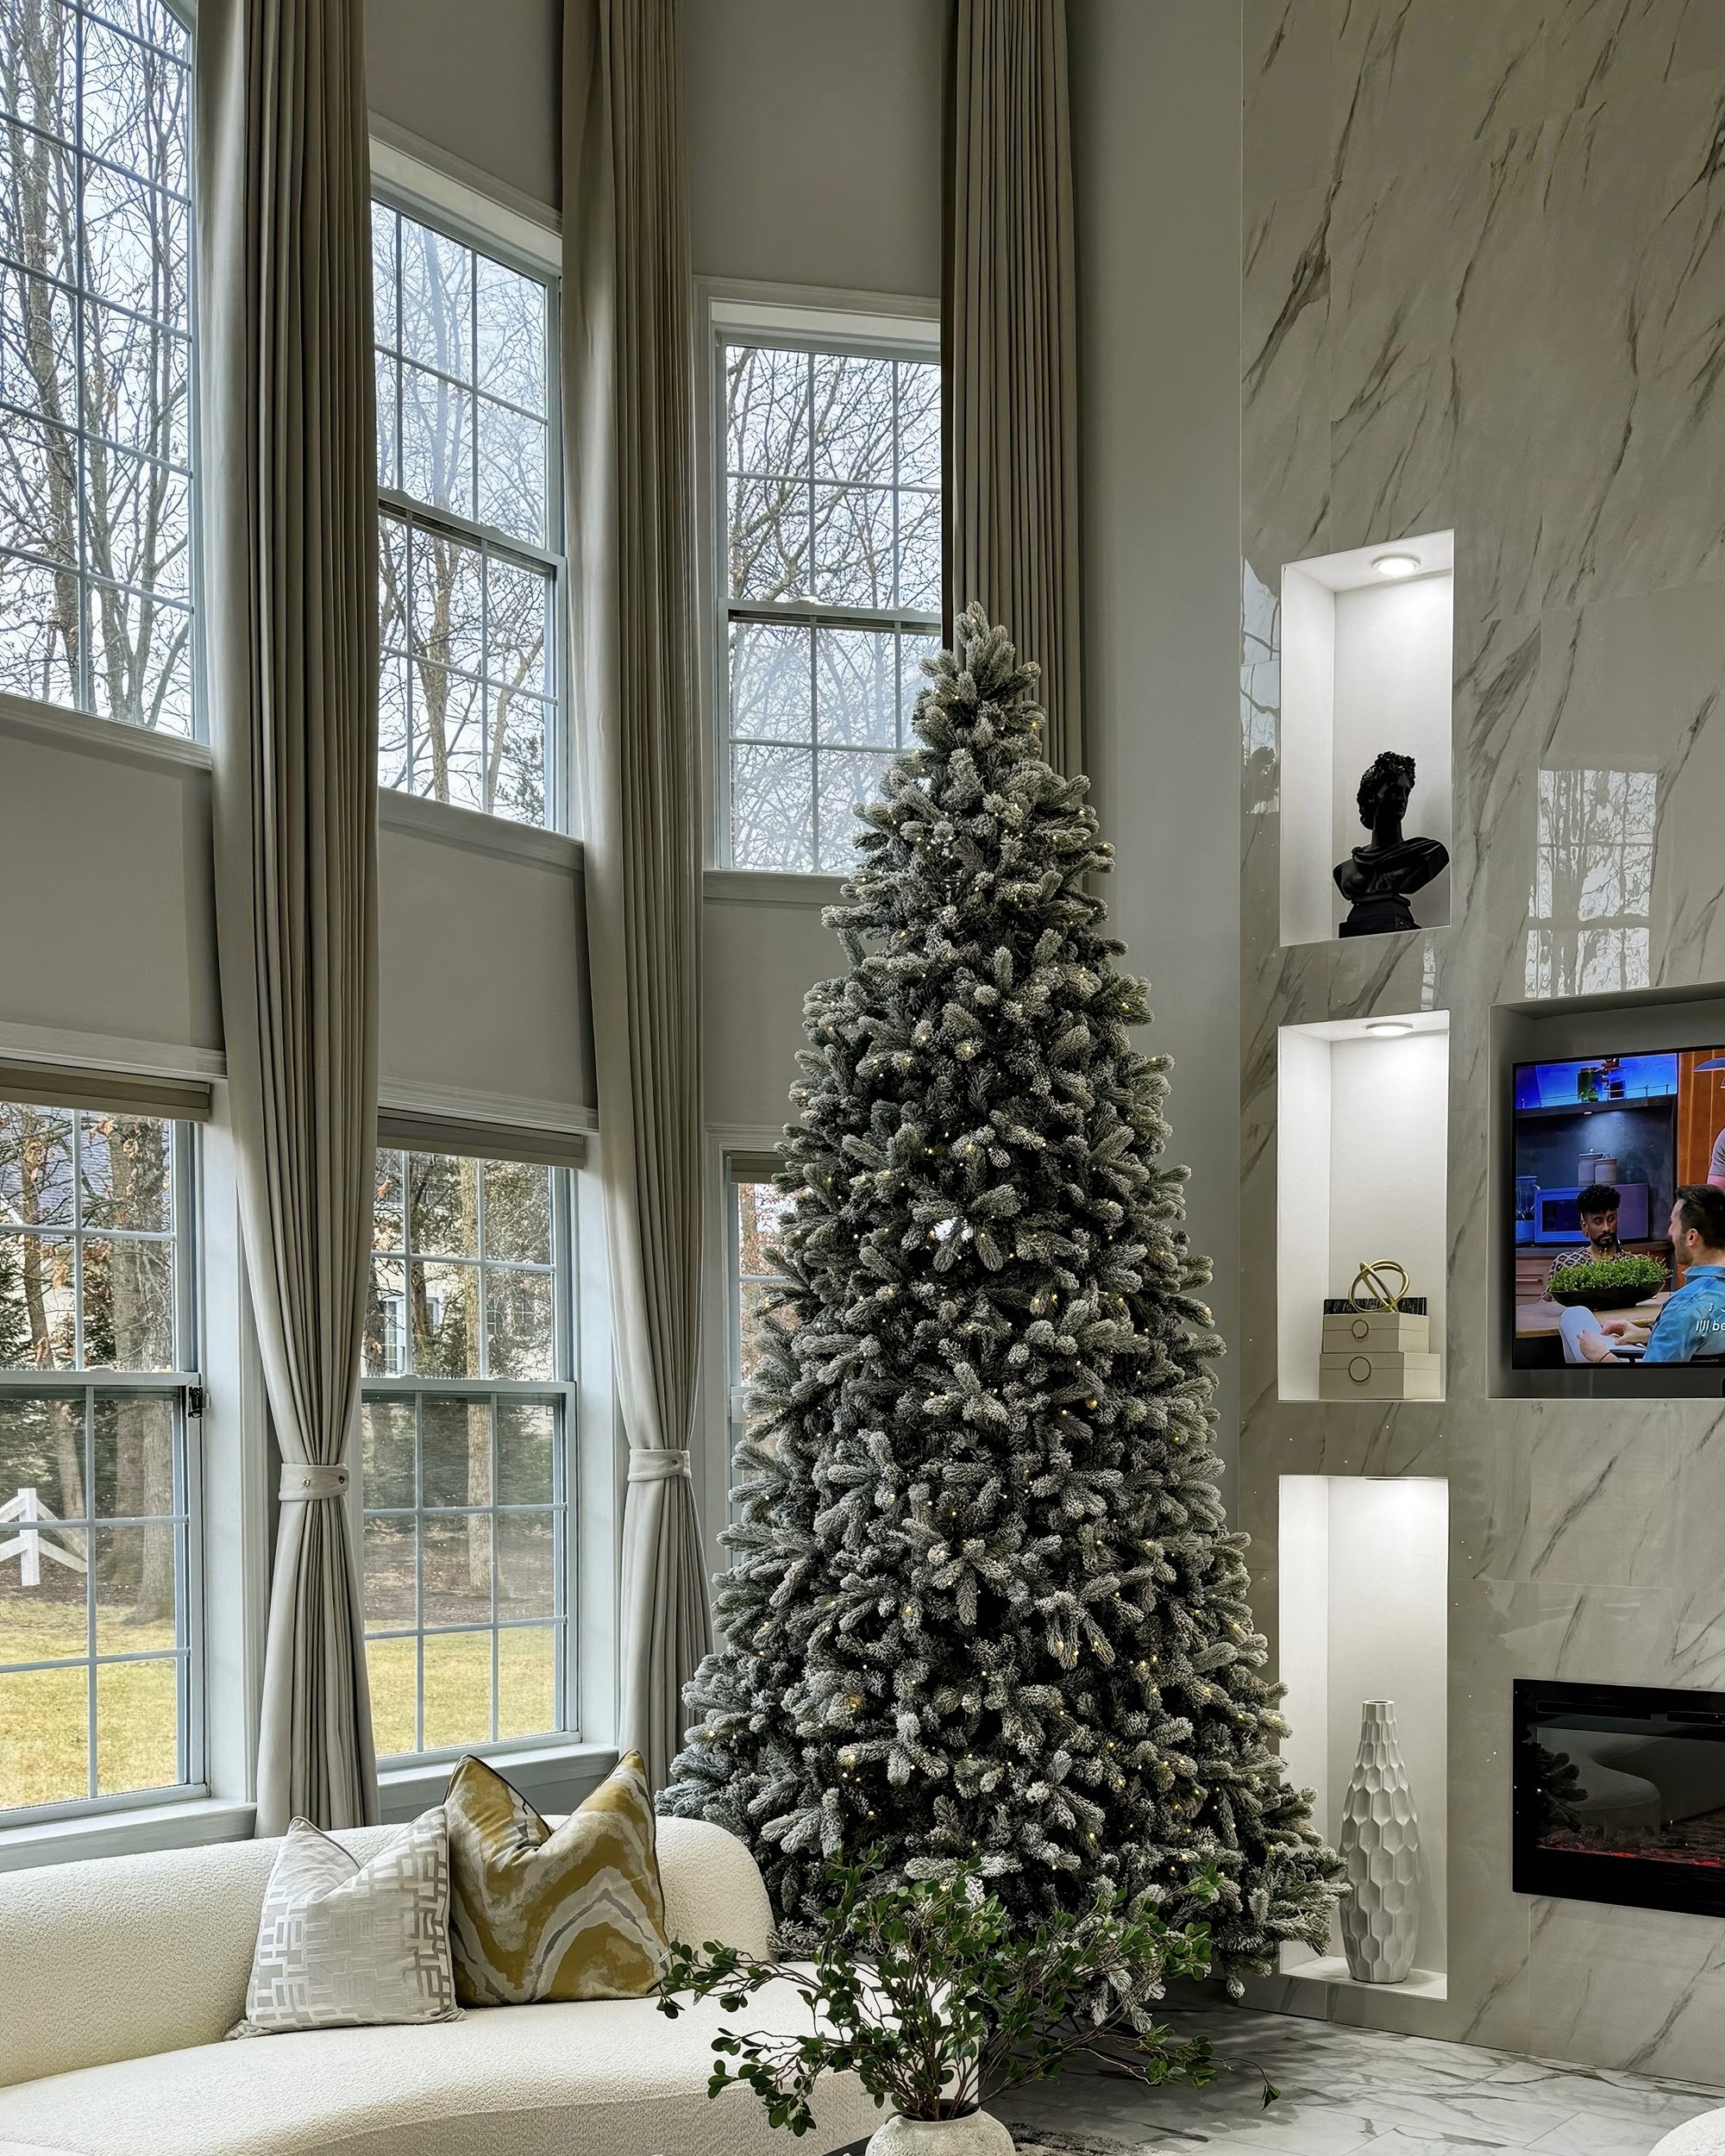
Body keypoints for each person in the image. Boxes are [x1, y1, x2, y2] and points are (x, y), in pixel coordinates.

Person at [1640, 1186, 1725, 1363]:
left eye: (1673, 1223)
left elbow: (1647, 1384)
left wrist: (1600, 1355)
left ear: (1691, 1237)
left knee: (1575, 1318)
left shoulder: (1686, 1306)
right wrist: (1646, 1334)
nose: (1669, 1232)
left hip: (1679, 1388)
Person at [1544, 1183, 1624, 1299]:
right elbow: (1549, 1302)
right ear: (1584, 1226)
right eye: (1598, 1221)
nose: (1606, 1228)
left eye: (1611, 1219)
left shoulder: (1633, 1263)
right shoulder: (1568, 1263)